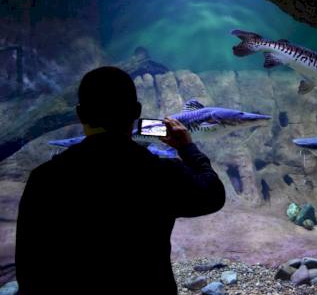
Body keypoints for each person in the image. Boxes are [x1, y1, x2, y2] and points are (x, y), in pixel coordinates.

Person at [15, 66, 226, 294]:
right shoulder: (161, 173)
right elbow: (213, 194)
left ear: (80, 114)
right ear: (136, 112)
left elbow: (28, 263)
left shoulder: (45, 178)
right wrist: (187, 148)